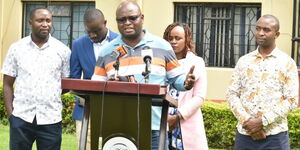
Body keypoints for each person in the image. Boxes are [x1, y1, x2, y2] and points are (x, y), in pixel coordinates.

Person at [91, 1, 195, 149]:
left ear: (142, 18)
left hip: (154, 126)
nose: (127, 23)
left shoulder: (162, 46)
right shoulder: (107, 52)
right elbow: (95, 87)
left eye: (132, 18)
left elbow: (176, 78)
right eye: (122, 20)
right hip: (117, 127)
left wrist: (186, 82)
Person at [1, 8, 70, 150]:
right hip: (21, 118)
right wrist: (11, 115)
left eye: (48, 20)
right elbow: (7, 83)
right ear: (30, 22)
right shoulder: (16, 48)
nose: (45, 24)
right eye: (40, 20)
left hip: (51, 119)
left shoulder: (63, 50)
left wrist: (49, 93)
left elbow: (66, 84)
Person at [226, 14, 299, 150]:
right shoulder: (244, 61)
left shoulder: (287, 63)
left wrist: (262, 122)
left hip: (275, 137)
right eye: (258, 28)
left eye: (266, 30)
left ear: (276, 34)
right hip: (245, 135)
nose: (260, 33)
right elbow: (231, 94)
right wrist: (248, 122)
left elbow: (291, 100)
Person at [70, 8, 118, 149]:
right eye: (88, 31)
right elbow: (74, 78)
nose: (92, 35)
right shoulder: (78, 45)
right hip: (86, 110)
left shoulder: (120, 41)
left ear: (105, 23)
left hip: (114, 108)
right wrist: (80, 98)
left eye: (96, 30)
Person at [163, 23, 208, 150]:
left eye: (178, 38)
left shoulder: (196, 62)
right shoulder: (161, 61)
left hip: (185, 119)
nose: (173, 41)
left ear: (186, 40)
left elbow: (199, 97)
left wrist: (177, 117)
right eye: (170, 38)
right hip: (163, 119)